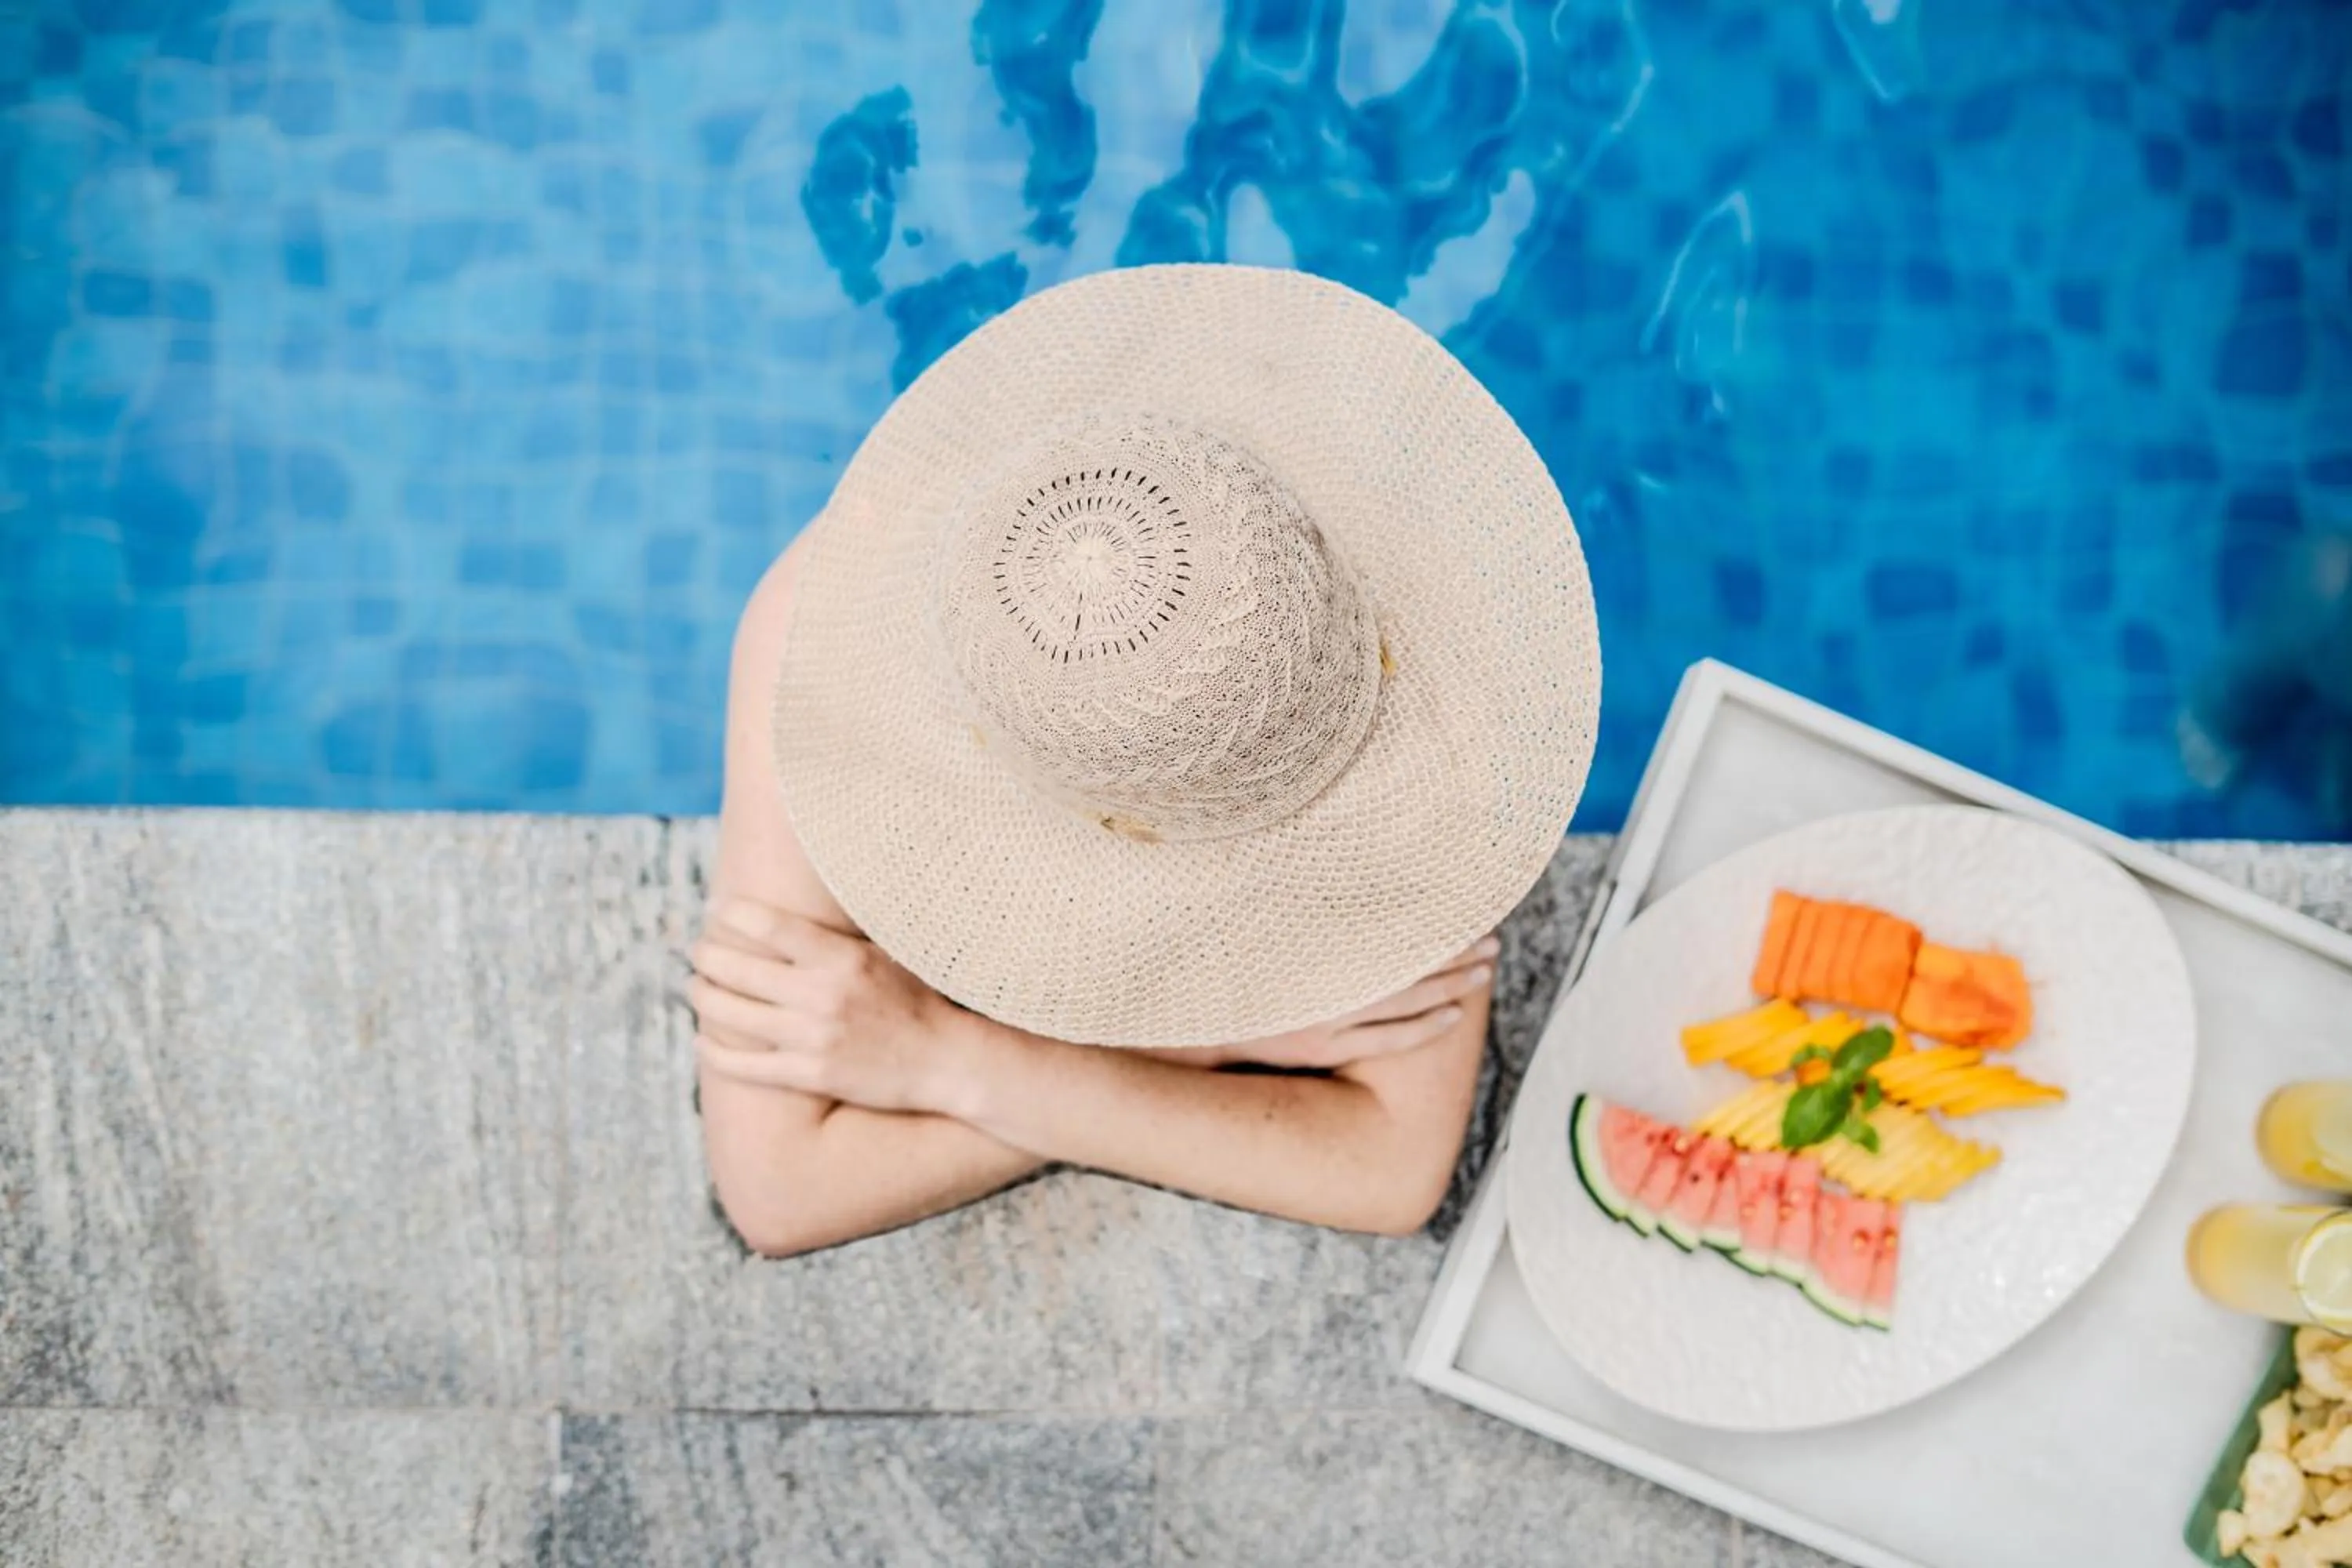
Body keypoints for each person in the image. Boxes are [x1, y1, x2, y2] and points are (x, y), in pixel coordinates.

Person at [687, 264, 1600, 1257]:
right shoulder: (823, 639)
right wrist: (1208, 1044)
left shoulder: (1434, 707)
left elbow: (1392, 1170)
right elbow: (781, 1189)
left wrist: (952, 1056)